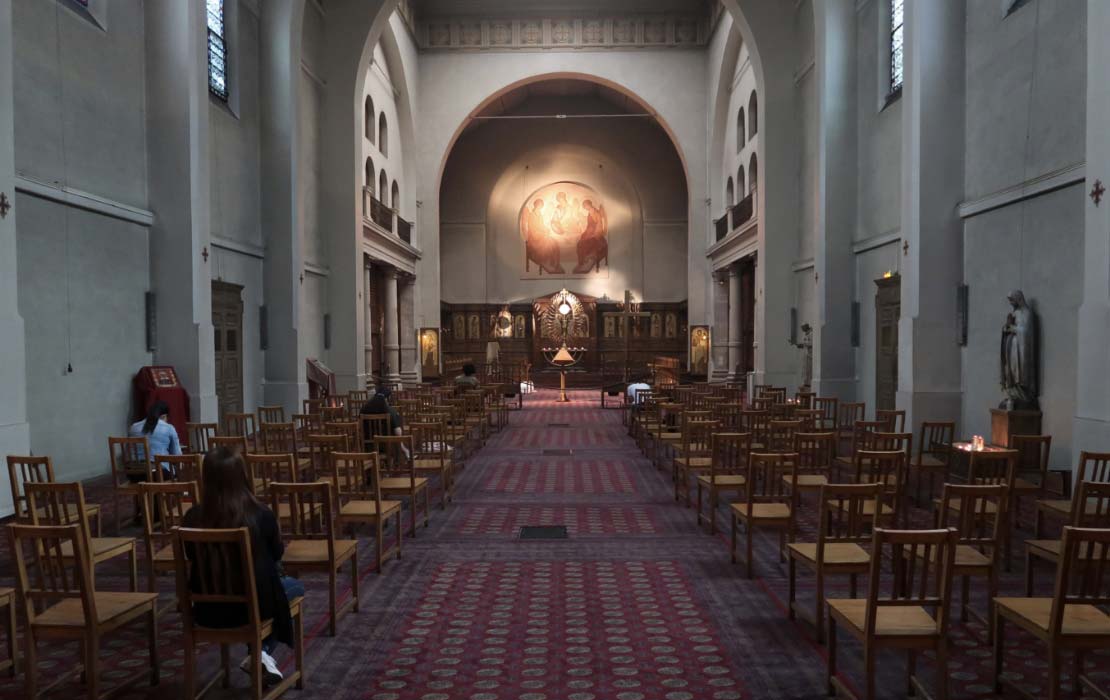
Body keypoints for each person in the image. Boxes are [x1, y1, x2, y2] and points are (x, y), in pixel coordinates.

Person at [182, 447, 302, 686]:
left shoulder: (192, 518)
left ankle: (259, 654)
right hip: (252, 610)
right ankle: (261, 651)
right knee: (294, 587)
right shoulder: (260, 514)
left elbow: (190, 554)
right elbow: (278, 553)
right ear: (242, 475)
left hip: (206, 610)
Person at [128, 400, 181, 481]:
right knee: (176, 469)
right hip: (157, 474)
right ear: (164, 416)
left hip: (134, 474)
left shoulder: (134, 427)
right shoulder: (168, 428)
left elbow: (128, 453)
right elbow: (177, 456)